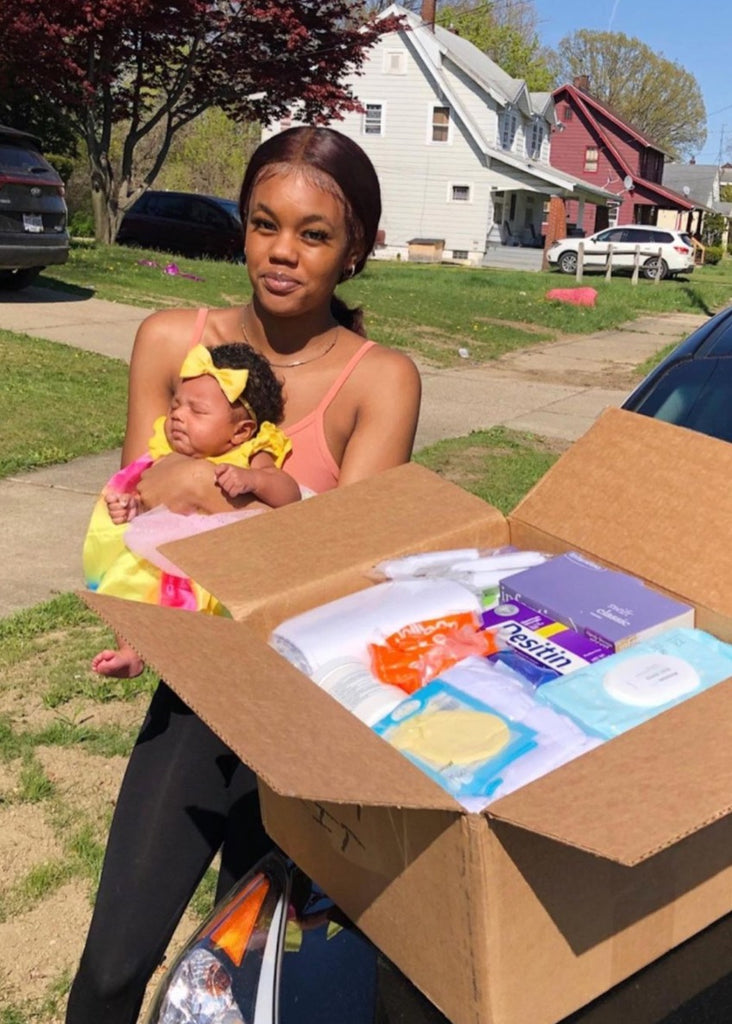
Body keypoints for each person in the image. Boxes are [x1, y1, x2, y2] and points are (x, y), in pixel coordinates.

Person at [66, 125, 421, 1024]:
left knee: (252, 983)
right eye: (265, 225)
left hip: (305, 714)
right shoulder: (170, 340)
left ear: (356, 251)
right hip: (197, 689)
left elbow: (344, 570)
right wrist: (201, 508)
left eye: (313, 234)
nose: (281, 253)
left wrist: (193, 488)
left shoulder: (381, 381)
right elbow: (134, 514)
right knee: (114, 964)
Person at [85, 340, 301, 679]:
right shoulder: (166, 450)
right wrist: (131, 505)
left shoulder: (254, 450)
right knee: (133, 585)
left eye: (197, 411)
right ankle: (131, 650)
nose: (177, 417)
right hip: (161, 549)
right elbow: (149, 494)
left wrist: (254, 480)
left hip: (219, 559)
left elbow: (289, 495)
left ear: (240, 432)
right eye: (175, 406)